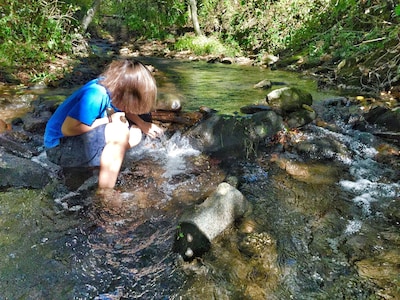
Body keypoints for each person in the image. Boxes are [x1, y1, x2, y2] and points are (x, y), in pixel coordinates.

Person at [44, 59, 164, 194]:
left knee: (134, 128)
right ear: (124, 92)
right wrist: (108, 120)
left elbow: (124, 107)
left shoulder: (114, 86)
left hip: (76, 139)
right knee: (119, 132)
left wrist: (143, 124)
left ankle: (117, 151)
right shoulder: (95, 95)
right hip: (59, 149)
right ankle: (105, 192)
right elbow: (67, 129)